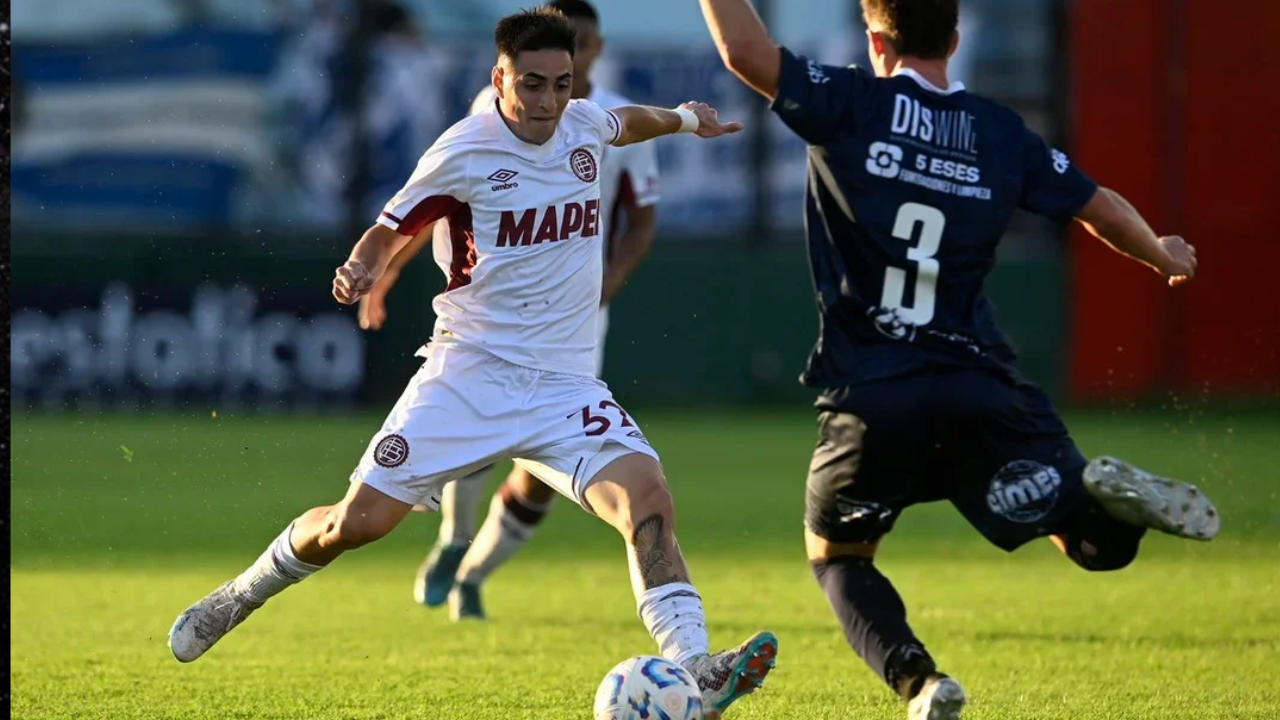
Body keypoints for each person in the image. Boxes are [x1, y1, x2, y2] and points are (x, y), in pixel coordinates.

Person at [167, 9, 776, 717]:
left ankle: (696, 669)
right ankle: (238, 596)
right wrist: (360, 268)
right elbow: (389, 227)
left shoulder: (582, 123)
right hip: (468, 378)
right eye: (531, 85)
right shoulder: (465, 150)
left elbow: (625, 123)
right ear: (499, 78)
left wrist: (684, 119)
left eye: (561, 84)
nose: (548, 102)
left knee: (648, 501)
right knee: (353, 526)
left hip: (564, 384)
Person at [694, 1, 1217, 718]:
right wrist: (1161, 253)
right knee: (1087, 542)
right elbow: (1099, 208)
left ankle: (920, 682)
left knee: (838, 555)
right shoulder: (1000, 132)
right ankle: (1096, 500)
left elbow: (745, 52)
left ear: (876, 39)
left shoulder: (850, 100)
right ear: (956, 39)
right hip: (980, 383)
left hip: (874, 391)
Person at [359, 0, 662, 623]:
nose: (567, 66)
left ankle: (474, 572)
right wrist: (384, 269)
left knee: (543, 470)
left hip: (574, 326)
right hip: (494, 323)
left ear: (590, 53)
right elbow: (441, 200)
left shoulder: (608, 120)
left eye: (583, 47)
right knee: (480, 445)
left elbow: (643, 216)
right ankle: (455, 538)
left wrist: (612, 278)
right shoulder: (489, 117)